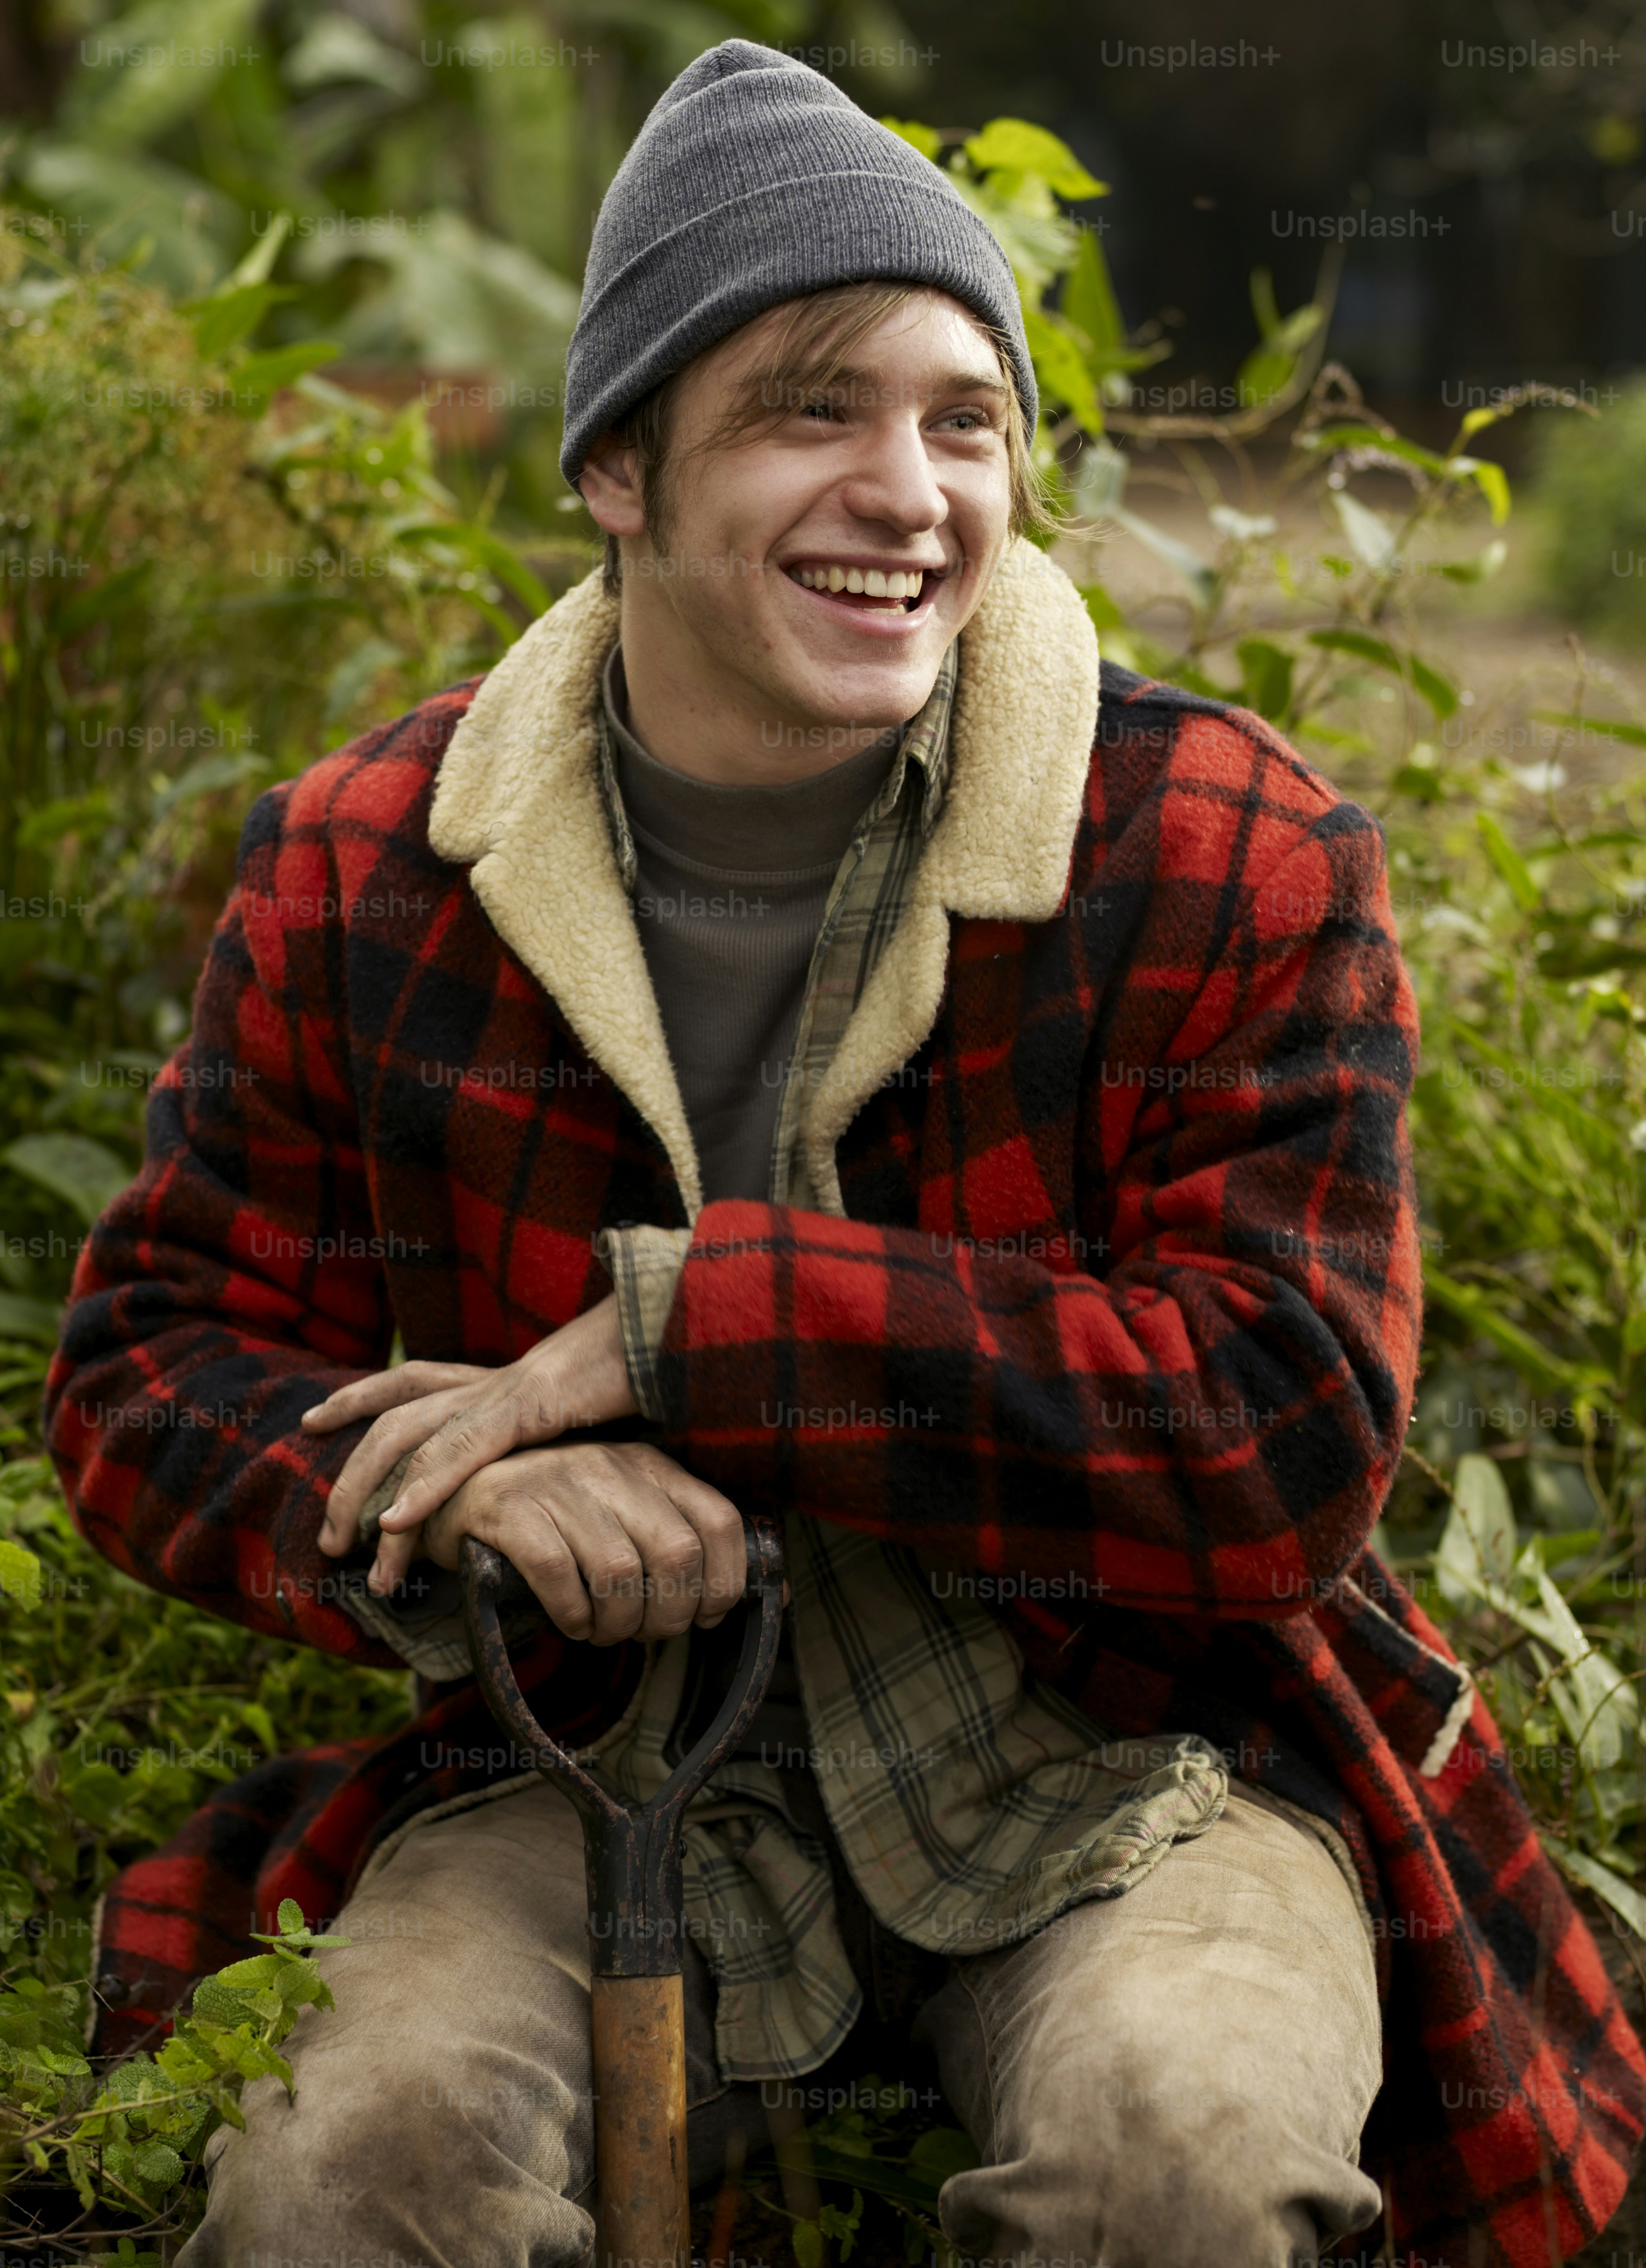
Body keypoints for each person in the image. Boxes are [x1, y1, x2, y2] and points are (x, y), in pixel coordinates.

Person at [46, 39, 1646, 2268]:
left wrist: (688, 1334)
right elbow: (142, 1366)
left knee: (1174, 2165)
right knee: (346, 2174)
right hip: (581, 1758)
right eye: (811, 409)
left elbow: (1281, 1432)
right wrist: (475, 1488)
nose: (908, 487)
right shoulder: (367, 865)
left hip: (1130, 1758)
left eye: (961, 419)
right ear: (618, 467)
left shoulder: (1223, 845)